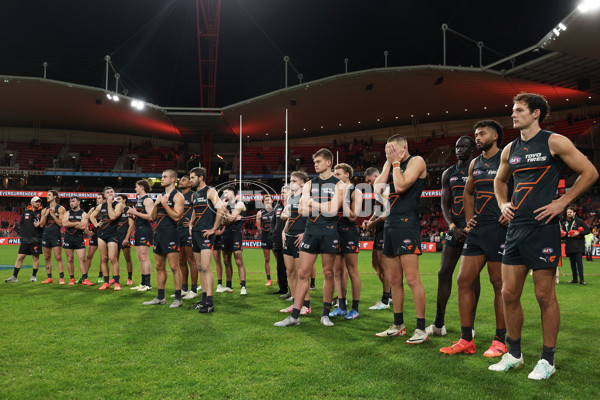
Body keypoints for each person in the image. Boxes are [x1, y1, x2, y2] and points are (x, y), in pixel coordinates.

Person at [492, 92, 598, 379]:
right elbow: (499, 181)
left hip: (543, 229)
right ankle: (514, 354)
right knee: (509, 293)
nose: (513, 115)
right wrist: (503, 203)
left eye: (519, 110)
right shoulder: (509, 149)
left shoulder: (554, 141)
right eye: (513, 110)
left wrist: (563, 202)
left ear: (536, 113)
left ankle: (547, 360)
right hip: (515, 230)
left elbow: (589, 172)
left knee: (544, 296)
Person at [440, 120, 508, 356]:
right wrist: (470, 220)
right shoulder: (475, 164)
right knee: (463, 280)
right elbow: (468, 192)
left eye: (482, 134)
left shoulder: (506, 158)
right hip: (478, 231)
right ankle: (466, 339)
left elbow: (519, 186)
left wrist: (511, 210)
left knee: (499, 285)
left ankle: (500, 340)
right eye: (476, 134)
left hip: (500, 230)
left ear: (495, 136)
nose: (477, 137)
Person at [275, 148, 343, 327]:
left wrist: (312, 202)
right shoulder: (309, 184)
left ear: (329, 162)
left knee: (328, 274)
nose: (315, 164)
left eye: (318, 161)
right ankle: (295, 315)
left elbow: (333, 210)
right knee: (303, 273)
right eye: (314, 162)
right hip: (311, 230)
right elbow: (303, 210)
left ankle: (325, 314)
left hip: (329, 231)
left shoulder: (339, 184)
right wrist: (321, 205)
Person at [373, 135, 429, 344]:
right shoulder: (392, 165)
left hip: (407, 224)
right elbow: (378, 190)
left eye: (392, 150)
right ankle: (398, 325)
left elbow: (403, 186)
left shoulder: (417, 161)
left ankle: (421, 329)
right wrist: (389, 163)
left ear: (403, 148)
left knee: (412, 279)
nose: (389, 154)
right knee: (394, 280)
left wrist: (396, 163)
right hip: (390, 224)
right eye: (386, 151)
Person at [426, 137, 481, 336]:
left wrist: (471, 227)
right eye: (457, 147)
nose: (459, 150)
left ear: (473, 148)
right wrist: (452, 227)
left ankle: (470, 325)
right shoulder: (448, 173)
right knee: (443, 273)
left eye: (464, 146)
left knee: (472, 278)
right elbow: (444, 203)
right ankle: (439, 324)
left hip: (475, 229)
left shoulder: (480, 168)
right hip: (454, 229)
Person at [144, 169, 185, 307]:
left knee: (174, 266)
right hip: (159, 233)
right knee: (159, 266)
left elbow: (177, 216)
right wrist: (156, 204)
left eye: (164, 177)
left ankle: (178, 299)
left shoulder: (178, 196)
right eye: (161, 176)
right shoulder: (161, 196)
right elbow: (153, 218)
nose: (161, 179)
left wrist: (165, 204)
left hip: (171, 233)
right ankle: (160, 297)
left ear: (173, 179)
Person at [187, 167, 225, 313]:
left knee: (206, 267)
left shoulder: (210, 191)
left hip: (206, 235)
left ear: (201, 177)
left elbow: (221, 209)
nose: (190, 180)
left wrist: (214, 229)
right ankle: (203, 300)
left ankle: (209, 302)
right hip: (195, 234)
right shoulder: (194, 195)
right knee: (200, 268)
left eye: (192, 177)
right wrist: (191, 223)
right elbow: (195, 211)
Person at [329, 163, 363, 320]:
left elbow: (353, 217)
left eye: (338, 174)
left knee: (352, 271)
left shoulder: (356, 192)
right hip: (335, 232)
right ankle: (341, 306)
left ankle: (355, 308)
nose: (335, 176)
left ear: (347, 175)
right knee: (337, 271)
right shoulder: (334, 192)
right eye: (334, 174)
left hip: (349, 233)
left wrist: (343, 200)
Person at [362, 167, 392, 310]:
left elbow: (387, 212)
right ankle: (390, 294)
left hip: (387, 228)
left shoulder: (386, 188)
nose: (368, 183)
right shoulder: (378, 190)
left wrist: (373, 223)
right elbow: (378, 209)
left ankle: (386, 299)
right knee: (376, 264)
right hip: (380, 228)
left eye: (369, 180)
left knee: (384, 265)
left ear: (376, 175)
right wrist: (370, 220)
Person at [280, 172, 310, 313]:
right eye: (290, 180)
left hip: (300, 238)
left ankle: (306, 305)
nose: (290, 183)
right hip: (289, 237)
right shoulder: (291, 198)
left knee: (301, 273)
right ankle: (294, 301)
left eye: (294, 181)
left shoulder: (308, 197)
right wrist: (283, 232)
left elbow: (313, 217)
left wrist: (305, 233)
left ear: (302, 183)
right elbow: (290, 218)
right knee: (290, 271)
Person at [90, 187, 124, 291]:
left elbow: (113, 217)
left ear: (114, 194)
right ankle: (106, 282)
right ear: (105, 195)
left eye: (111, 192)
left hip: (112, 234)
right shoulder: (100, 206)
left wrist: (109, 204)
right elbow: (92, 216)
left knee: (113, 258)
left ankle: (117, 282)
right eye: (107, 192)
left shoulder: (119, 205)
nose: (109, 194)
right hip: (101, 234)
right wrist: (96, 224)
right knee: (103, 259)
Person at [5, 196, 43, 283]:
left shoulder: (42, 212)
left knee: (35, 257)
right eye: (36, 202)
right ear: (31, 203)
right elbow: (21, 224)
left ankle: (33, 276)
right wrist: (22, 235)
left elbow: (43, 224)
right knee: (20, 257)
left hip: (36, 239)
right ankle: (14, 277)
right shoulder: (25, 212)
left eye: (39, 202)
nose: (38, 203)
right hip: (25, 239)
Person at [127, 180, 154, 291]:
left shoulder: (147, 200)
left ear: (142, 187)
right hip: (138, 229)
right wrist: (132, 216)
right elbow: (140, 216)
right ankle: (143, 283)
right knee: (140, 257)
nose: (135, 189)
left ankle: (148, 284)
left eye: (136, 187)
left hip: (145, 230)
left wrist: (136, 213)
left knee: (144, 257)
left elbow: (151, 217)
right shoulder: (140, 200)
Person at [221, 185, 248, 295]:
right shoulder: (225, 205)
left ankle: (243, 286)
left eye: (226, 192)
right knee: (226, 260)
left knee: (238, 260)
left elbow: (229, 219)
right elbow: (223, 222)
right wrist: (230, 218)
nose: (224, 195)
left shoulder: (239, 204)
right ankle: (228, 285)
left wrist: (225, 211)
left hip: (236, 234)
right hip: (226, 234)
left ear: (232, 192)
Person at [176, 175, 199, 299]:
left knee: (191, 260)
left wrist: (191, 222)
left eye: (183, 180)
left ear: (190, 183)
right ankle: (184, 288)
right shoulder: (178, 195)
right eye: (180, 180)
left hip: (187, 231)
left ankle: (194, 289)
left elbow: (198, 210)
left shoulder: (192, 195)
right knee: (181, 260)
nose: (180, 181)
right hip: (177, 229)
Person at [62, 196, 89, 285]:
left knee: (82, 259)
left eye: (73, 201)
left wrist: (72, 224)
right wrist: (77, 223)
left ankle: (85, 278)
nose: (71, 203)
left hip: (78, 238)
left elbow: (83, 226)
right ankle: (72, 279)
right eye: (70, 202)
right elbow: (64, 223)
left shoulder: (84, 214)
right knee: (69, 259)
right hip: (68, 238)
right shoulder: (67, 213)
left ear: (78, 203)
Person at [39, 190, 66, 284]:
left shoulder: (60, 208)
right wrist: (45, 215)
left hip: (55, 235)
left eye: (49, 195)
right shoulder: (44, 210)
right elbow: (41, 225)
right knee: (47, 257)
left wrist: (53, 215)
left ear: (55, 196)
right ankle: (49, 277)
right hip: (46, 235)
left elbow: (61, 223)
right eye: (47, 195)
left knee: (58, 257)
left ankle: (61, 277)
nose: (47, 197)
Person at [562, 206, 590, 284]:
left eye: (570, 212)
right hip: (569, 245)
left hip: (578, 245)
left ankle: (582, 280)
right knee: (572, 264)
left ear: (574, 213)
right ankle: (575, 279)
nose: (569, 214)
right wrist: (562, 235)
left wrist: (579, 233)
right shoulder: (565, 223)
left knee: (579, 263)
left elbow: (588, 230)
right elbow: (565, 234)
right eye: (567, 212)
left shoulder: (580, 221)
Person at [271, 187, 289, 296]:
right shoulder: (277, 206)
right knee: (280, 266)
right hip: (278, 240)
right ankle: (283, 288)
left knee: (291, 267)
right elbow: (272, 222)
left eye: (284, 192)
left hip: (289, 240)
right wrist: (273, 233)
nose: (282, 194)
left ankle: (292, 289)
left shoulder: (293, 205)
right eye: (281, 192)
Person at [83, 193, 104, 284]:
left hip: (104, 234)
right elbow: (86, 219)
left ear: (104, 200)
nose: (97, 200)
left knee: (103, 257)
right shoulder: (93, 209)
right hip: (95, 235)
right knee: (89, 256)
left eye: (99, 198)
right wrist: (87, 230)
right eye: (97, 198)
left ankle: (100, 276)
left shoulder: (107, 209)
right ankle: (84, 276)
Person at [256, 194, 275, 286]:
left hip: (275, 238)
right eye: (266, 200)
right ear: (263, 202)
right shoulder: (260, 213)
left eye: (269, 200)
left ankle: (280, 277)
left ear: (272, 201)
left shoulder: (276, 211)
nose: (267, 201)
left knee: (278, 259)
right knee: (267, 258)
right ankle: (269, 279)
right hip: (265, 237)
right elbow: (259, 228)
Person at [116, 194, 134, 286]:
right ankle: (115, 278)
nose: (117, 200)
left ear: (124, 200)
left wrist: (127, 238)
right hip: (115, 237)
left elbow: (131, 225)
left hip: (124, 237)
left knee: (127, 258)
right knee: (115, 259)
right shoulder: (115, 210)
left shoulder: (128, 210)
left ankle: (129, 278)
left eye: (119, 199)